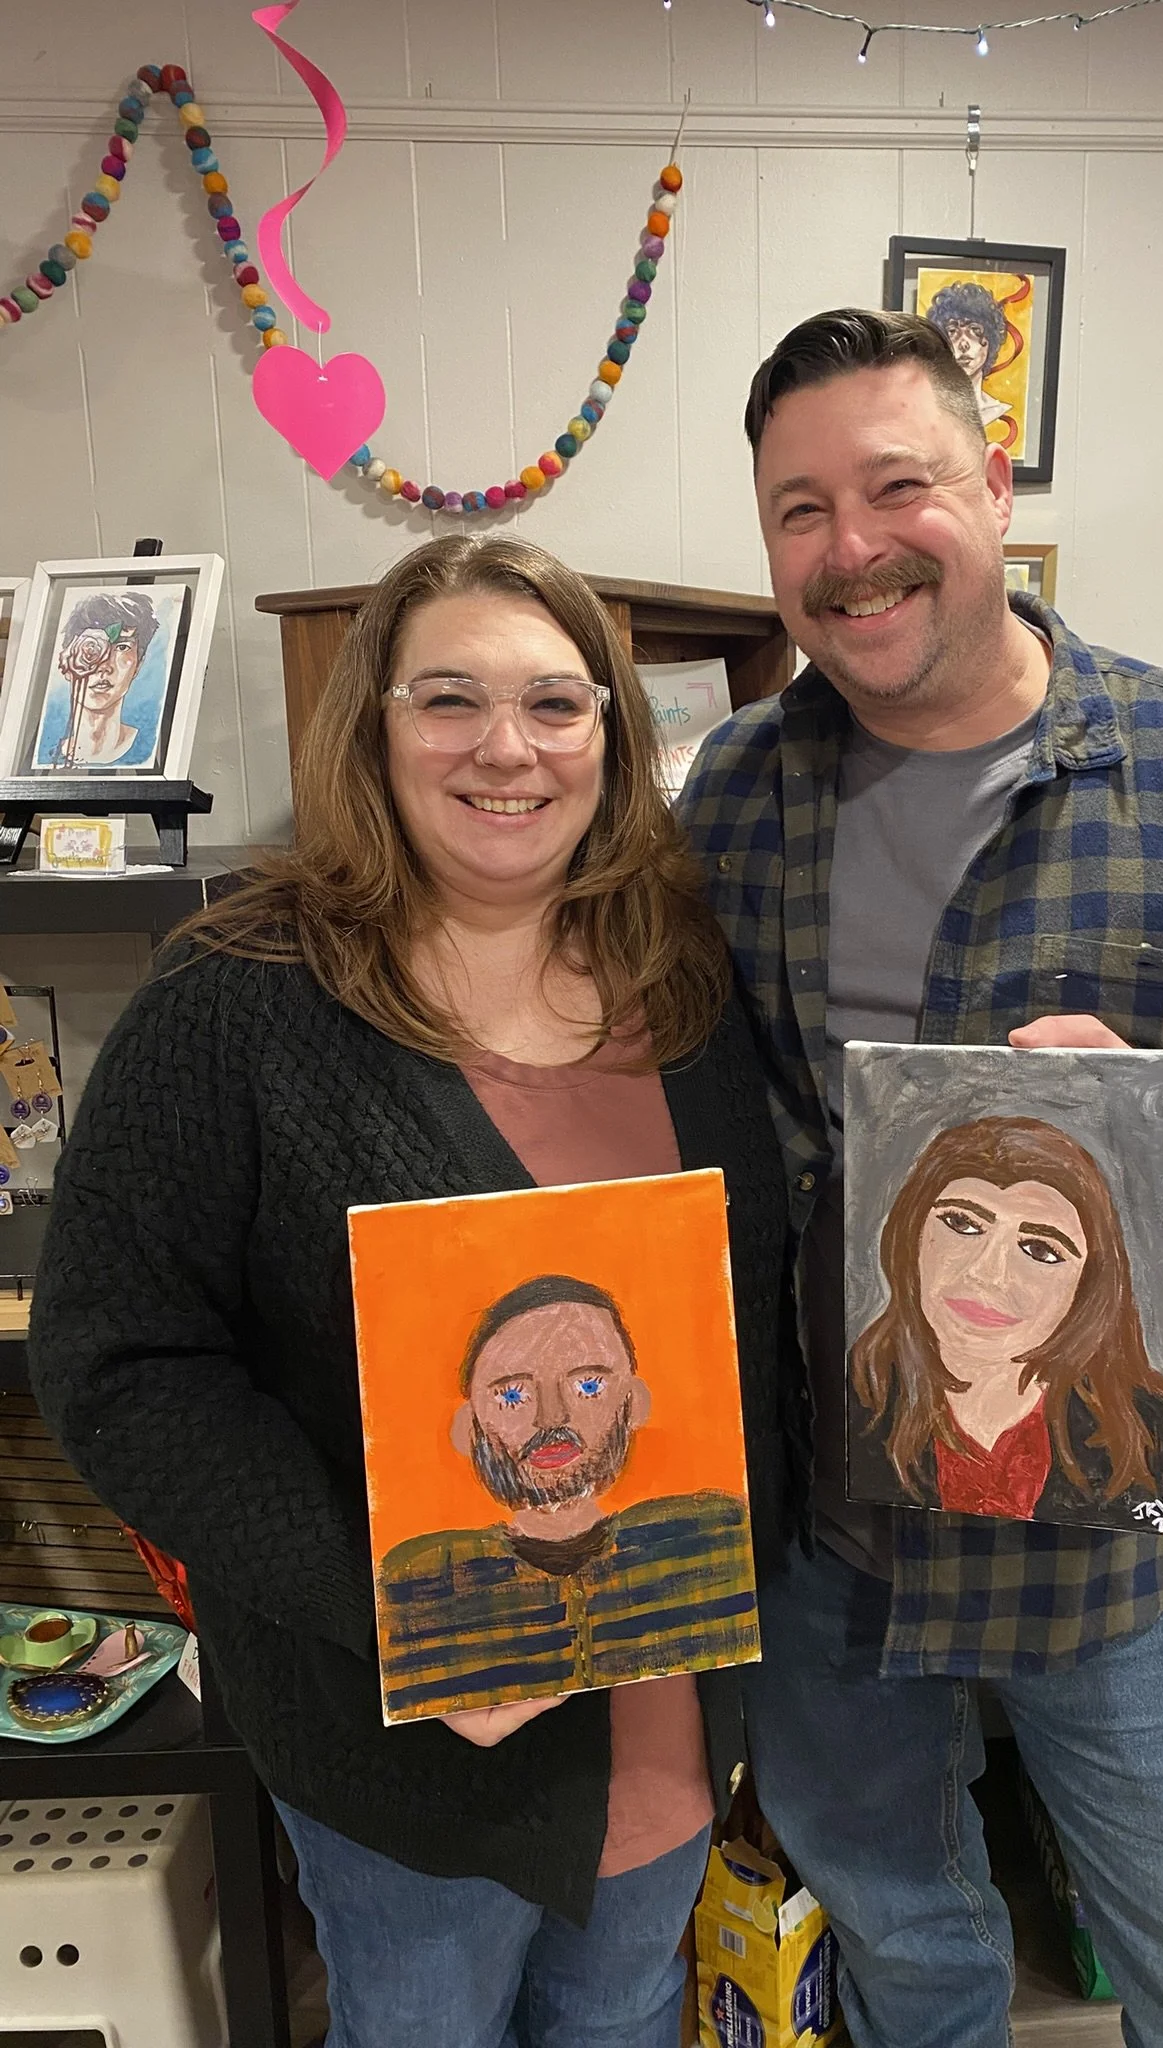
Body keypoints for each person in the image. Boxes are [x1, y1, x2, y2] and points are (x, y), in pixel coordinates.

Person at [675, 307, 1163, 2048]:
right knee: (902, 1938)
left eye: (896, 485)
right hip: (822, 1531)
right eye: (800, 509)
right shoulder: (731, 796)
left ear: (993, 482)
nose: (851, 546)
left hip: (1107, 1538)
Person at [30, 532, 804, 2048]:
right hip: (407, 1745)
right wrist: (389, 1612)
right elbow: (118, 1364)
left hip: (665, 1704)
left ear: (610, 733)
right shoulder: (236, 999)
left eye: (555, 703)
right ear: (372, 728)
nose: (507, 747)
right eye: (449, 699)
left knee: (626, 2013)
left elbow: (738, 1320)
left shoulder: (683, 978)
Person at [378, 1271, 757, 1717]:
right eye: (512, 1394)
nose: (551, 1417)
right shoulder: (417, 1582)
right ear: (467, 1427)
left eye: (588, 1385)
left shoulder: (715, 1538)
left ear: (635, 1402)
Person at [847, 1115, 1163, 1532]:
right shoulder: (850, 1402)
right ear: (909, 1234)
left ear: (1088, 1288)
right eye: (962, 1224)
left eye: (1040, 1250)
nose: (988, 1274)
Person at [42, 588, 161, 768]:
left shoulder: (151, 752)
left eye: (122, 647)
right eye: (92, 647)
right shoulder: (42, 756)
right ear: (66, 661)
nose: (104, 665)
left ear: (138, 664)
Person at [924, 280, 1011, 427]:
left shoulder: (1001, 414)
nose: (963, 344)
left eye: (974, 331)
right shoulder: (926, 411)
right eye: (952, 331)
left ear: (990, 340)